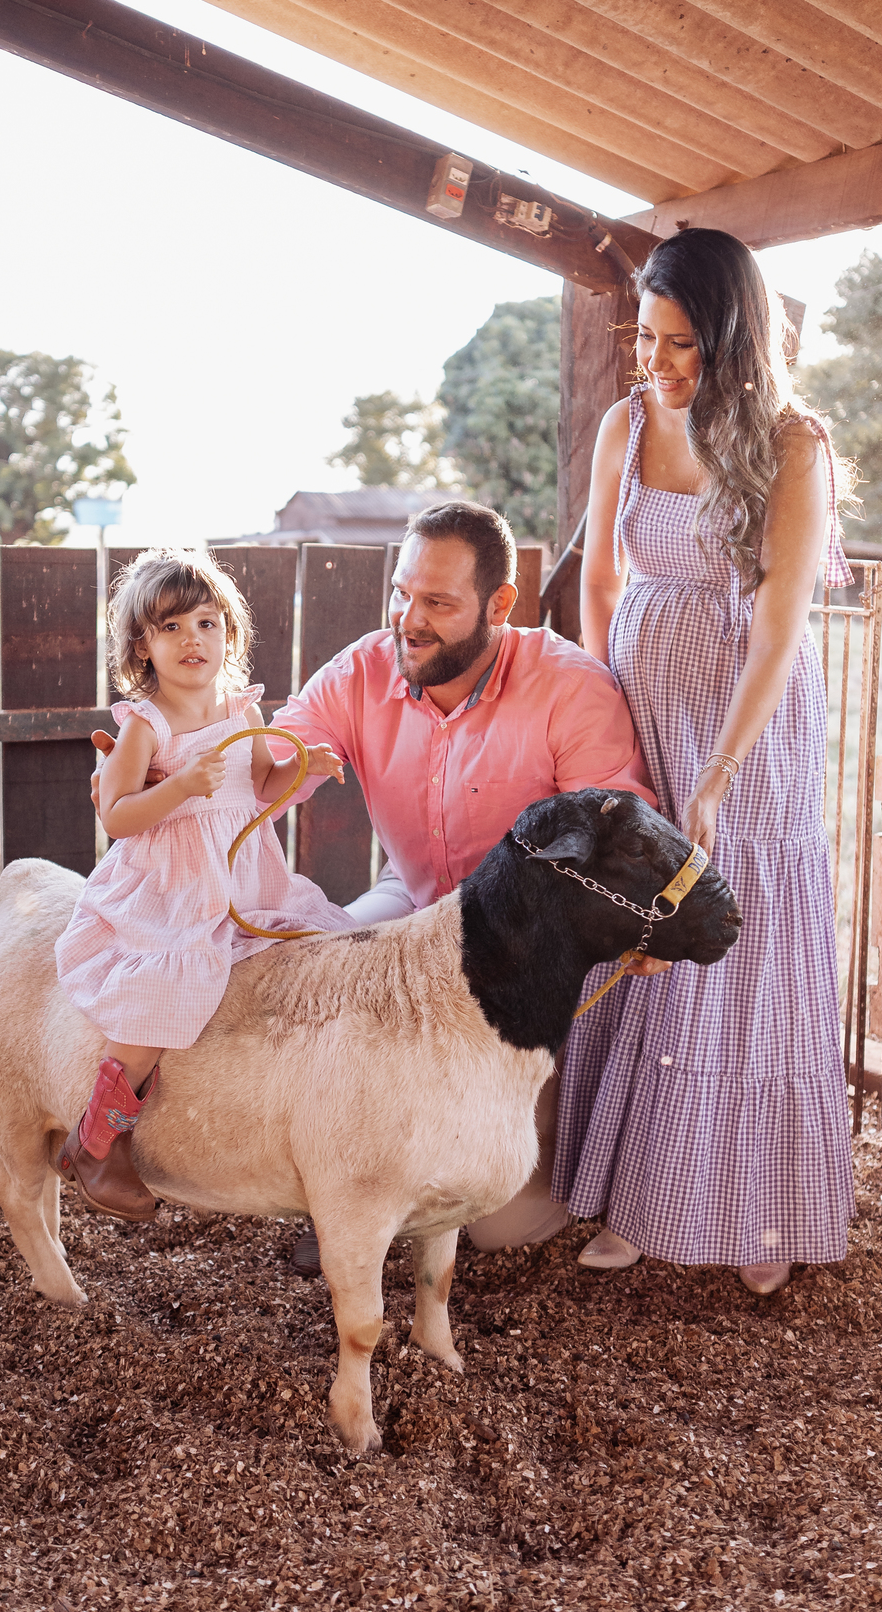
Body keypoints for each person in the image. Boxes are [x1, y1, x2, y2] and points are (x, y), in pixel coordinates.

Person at [552, 226, 857, 1297]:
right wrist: (600, 717)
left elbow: (778, 625)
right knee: (642, 922)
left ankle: (762, 1207)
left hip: (748, 727)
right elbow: (599, 579)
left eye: (681, 343)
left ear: (732, 338)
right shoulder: (627, 424)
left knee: (743, 936)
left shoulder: (793, 445)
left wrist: (722, 770)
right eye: (647, 338)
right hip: (643, 704)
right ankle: (642, 1193)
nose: (659, 362)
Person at [265, 500, 659, 1271]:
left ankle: (461, 1164)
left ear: (499, 605)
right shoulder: (362, 669)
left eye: (438, 604)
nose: (409, 621)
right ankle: (353, 1185)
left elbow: (616, 837)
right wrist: (182, 774)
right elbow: (273, 764)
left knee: (501, 1228)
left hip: (528, 940)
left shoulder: (569, 688)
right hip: (414, 899)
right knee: (325, 963)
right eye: (402, 593)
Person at [55, 548, 352, 1222]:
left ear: (229, 633)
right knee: (168, 985)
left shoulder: (243, 711)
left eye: (206, 623)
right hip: (172, 885)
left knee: (323, 940)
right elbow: (117, 815)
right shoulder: (147, 725)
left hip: (242, 879)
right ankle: (97, 1139)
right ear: (143, 646)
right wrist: (182, 787)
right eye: (172, 627)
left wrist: (302, 768)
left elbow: (260, 788)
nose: (193, 639)